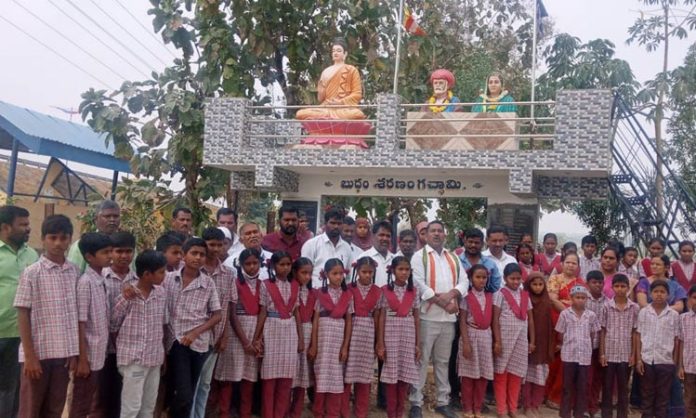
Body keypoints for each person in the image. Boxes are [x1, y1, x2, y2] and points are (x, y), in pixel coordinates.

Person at [14, 214, 80, 418]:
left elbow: (73, 315)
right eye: (53, 237)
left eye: (63, 238)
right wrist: (30, 356)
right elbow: (23, 313)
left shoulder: (74, 272)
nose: (58, 243)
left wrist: (73, 352)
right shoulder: (32, 272)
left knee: (55, 409)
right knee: (30, 409)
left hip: (62, 356)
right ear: (43, 239)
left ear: (70, 239)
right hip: (37, 356)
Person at [409, 221, 468, 418]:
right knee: (422, 360)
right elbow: (419, 284)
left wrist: (452, 294)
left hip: (448, 319)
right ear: (425, 235)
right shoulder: (420, 257)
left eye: (439, 231)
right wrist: (444, 303)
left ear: (445, 234)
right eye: (432, 231)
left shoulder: (453, 257)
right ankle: (416, 402)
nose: (436, 234)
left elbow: (464, 281)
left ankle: (443, 401)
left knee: (443, 362)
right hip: (427, 317)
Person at [164, 237, 222, 418]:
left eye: (202, 255)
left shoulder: (207, 283)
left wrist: (195, 332)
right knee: (183, 393)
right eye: (194, 253)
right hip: (175, 341)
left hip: (198, 344)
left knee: (189, 391)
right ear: (184, 255)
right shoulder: (168, 279)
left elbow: (217, 315)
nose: (198, 258)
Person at [110, 250, 168, 418]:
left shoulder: (161, 293)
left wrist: (162, 353)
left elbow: (162, 324)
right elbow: (113, 324)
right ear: (147, 274)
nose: (164, 275)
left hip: (154, 358)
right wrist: (124, 349)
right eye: (161, 272)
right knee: (131, 407)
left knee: (148, 406)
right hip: (134, 359)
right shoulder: (128, 295)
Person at [191, 228, 237, 418]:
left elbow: (226, 306)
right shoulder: (193, 270)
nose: (216, 248)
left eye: (220, 244)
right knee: (192, 382)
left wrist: (224, 335)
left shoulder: (228, 273)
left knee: (205, 383)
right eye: (212, 244)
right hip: (194, 335)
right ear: (204, 244)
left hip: (216, 336)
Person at [0, 205, 38, 418]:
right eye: (22, 225)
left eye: (28, 224)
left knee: (14, 389)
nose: (28, 229)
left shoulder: (31, 254)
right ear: (5, 227)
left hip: (22, 335)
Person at [253, 251, 301, 418]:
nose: (286, 268)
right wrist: (257, 337)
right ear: (273, 266)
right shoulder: (266, 285)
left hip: (289, 330)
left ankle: (280, 413)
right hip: (271, 328)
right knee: (269, 377)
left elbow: (296, 313)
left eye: (288, 264)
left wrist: (301, 338)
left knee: (286, 376)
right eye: (282, 264)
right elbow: (263, 311)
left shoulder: (295, 285)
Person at [94, 231, 136, 418]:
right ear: (111, 252)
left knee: (124, 396)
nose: (124, 256)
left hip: (129, 350)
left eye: (129, 251)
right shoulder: (100, 278)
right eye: (119, 251)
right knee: (102, 397)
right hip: (105, 349)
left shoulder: (138, 281)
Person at [70, 233, 113, 418]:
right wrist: (82, 359)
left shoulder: (102, 280)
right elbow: (80, 322)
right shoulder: (85, 283)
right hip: (88, 354)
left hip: (99, 353)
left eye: (110, 251)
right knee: (81, 402)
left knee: (89, 400)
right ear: (89, 257)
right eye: (105, 252)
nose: (110, 255)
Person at [217, 248, 262, 418]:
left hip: (254, 333)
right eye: (248, 264)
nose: (252, 267)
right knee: (229, 378)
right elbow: (233, 314)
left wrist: (256, 339)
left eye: (255, 263)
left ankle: (245, 413)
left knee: (248, 380)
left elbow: (262, 312)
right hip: (237, 335)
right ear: (241, 265)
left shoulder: (261, 285)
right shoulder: (235, 283)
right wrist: (245, 342)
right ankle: (224, 413)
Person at [308, 258, 354, 418]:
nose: (338, 277)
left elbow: (348, 321)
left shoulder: (347, 295)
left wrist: (345, 346)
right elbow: (315, 319)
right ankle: (319, 411)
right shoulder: (320, 293)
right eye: (334, 273)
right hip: (323, 339)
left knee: (336, 376)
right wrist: (313, 344)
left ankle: (333, 412)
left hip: (338, 337)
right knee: (321, 374)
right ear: (326, 274)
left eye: (341, 273)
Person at [377, 256, 421, 418]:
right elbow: (381, 316)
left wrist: (417, 343)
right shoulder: (384, 290)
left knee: (404, 375)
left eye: (407, 269)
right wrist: (380, 343)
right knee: (391, 374)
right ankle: (391, 413)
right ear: (393, 271)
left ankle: (400, 412)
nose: (404, 272)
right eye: (400, 269)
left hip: (408, 333)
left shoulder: (413, 291)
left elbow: (416, 317)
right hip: (390, 334)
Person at [492, 264, 534, 418]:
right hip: (505, 339)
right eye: (512, 278)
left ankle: (513, 408)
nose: (516, 282)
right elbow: (495, 319)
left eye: (518, 278)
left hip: (521, 340)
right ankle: (502, 409)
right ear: (505, 279)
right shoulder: (500, 294)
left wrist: (532, 340)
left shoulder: (525, 295)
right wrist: (497, 341)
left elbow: (530, 320)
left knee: (516, 374)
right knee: (501, 373)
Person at [636, 280, 680, 418]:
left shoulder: (673, 315)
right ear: (650, 293)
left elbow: (677, 340)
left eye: (662, 292)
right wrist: (638, 359)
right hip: (647, 360)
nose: (659, 295)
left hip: (665, 361)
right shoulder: (643, 312)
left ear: (668, 295)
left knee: (663, 397)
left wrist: (675, 364)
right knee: (647, 395)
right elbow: (638, 336)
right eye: (656, 291)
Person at [343, 256, 381, 418]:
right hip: (351, 334)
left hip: (368, 334)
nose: (367, 275)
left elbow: (378, 317)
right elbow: (346, 315)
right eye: (364, 272)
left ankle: (361, 412)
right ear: (357, 271)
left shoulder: (378, 291)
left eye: (370, 272)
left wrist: (378, 341)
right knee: (346, 374)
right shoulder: (349, 289)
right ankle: (342, 411)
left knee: (364, 375)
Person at [555, 285, 600, 418]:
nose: (580, 300)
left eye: (583, 298)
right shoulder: (565, 314)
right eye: (577, 297)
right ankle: (565, 413)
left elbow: (593, 334)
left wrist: (588, 347)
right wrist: (566, 344)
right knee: (567, 386)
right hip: (569, 355)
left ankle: (579, 413)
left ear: (587, 299)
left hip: (585, 356)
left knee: (582, 386)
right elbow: (560, 334)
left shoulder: (591, 315)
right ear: (571, 298)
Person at [546, 252, 584, 407]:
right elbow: (553, 299)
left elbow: (582, 303)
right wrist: (569, 313)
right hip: (557, 322)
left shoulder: (580, 283)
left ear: (578, 266)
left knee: (566, 362)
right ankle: (545, 394)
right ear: (562, 264)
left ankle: (557, 397)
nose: (570, 265)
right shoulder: (555, 279)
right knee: (553, 360)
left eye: (574, 263)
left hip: (574, 327)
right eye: (568, 262)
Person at [296, 37, 365, 121]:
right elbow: (320, 99)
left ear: (345, 54)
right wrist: (321, 89)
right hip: (326, 108)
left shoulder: (351, 70)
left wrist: (340, 102)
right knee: (300, 114)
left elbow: (357, 94)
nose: (335, 53)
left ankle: (328, 118)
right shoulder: (326, 71)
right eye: (333, 51)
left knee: (357, 114)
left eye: (339, 51)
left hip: (343, 109)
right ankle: (328, 117)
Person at [599, 273, 639, 418]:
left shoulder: (634, 308)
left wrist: (634, 354)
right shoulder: (606, 307)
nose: (620, 289)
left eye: (623, 286)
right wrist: (602, 353)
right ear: (612, 287)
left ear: (628, 288)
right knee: (607, 387)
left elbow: (635, 332)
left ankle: (622, 415)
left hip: (625, 355)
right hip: (609, 354)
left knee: (623, 388)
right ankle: (606, 415)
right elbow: (602, 331)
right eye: (617, 286)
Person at [457, 265, 494, 418]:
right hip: (470, 336)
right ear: (471, 278)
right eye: (478, 277)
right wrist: (466, 342)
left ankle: (477, 407)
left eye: (484, 277)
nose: (481, 280)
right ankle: (467, 407)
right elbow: (462, 320)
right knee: (468, 375)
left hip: (485, 336)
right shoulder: (466, 297)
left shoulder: (490, 296)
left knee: (483, 374)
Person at [523, 272, 555, 418]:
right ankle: (527, 405)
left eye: (540, 284)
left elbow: (550, 323)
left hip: (543, 345)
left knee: (540, 376)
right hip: (529, 343)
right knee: (527, 377)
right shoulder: (525, 300)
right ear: (528, 285)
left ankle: (536, 405)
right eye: (534, 284)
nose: (537, 287)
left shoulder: (547, 300)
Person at [289, 258, 315, 418]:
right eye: (303, 273)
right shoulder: (291, 289)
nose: (307, 277)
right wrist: (299, 337)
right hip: (292, 332)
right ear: (295, 273)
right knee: (291, 373)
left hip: (308, 331)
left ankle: (296, 410)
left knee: (303, 373)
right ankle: (285, 409)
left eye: (310, 273)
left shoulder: (313, 292)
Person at [301, 208, 354, 288]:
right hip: (316, 294)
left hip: (340, 295)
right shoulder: (311, 245)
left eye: (339, 223)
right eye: (332, 223)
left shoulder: (347, 248)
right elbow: (304, 273)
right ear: (325, 223)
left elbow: (349, 276)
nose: (336, 226)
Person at [68, 200, 120, 273]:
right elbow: (74, 275)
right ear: (96, 219)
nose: (112, 220)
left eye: (116, 216)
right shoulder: (83, 244)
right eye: (107, 216)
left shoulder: (126, 244)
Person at [584, 271, 607, 418]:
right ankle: (584, 407)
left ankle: (594, 406)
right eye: (594, 282)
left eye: (600, 282)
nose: (597, 285)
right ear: (587, 283)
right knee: (586, 377)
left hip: (601, 346)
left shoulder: (608, 302)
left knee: (598, 378)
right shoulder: (583, 299)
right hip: (585, 344)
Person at [459, 228, 502, 293]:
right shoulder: (456, 262)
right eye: (470, 242)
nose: (473, 245)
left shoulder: (490, 264)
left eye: (477, 243)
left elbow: (495, 286)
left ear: (482, 244)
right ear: (465, 242)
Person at [356, 220, 394, 287]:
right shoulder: (363, 258)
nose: (385, 238)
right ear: (373, 236)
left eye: (388, 236)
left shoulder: (395, 259)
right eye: (381, 235)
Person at [678, 286, 696, 418]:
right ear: (689, 299)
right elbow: (680, 343)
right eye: (695, 298)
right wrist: (680, 366)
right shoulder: (683, 319)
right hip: (689, 367)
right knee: (689, 400)